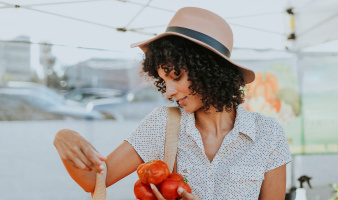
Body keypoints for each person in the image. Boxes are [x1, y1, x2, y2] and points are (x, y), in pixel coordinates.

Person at [54, 7, 291, 200]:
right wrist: (62, 137)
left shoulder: (268, 135)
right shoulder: (162, 124)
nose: (168, 92)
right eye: (163, 80)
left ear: (209, 70)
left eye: (176, 76)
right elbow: (93, 181)